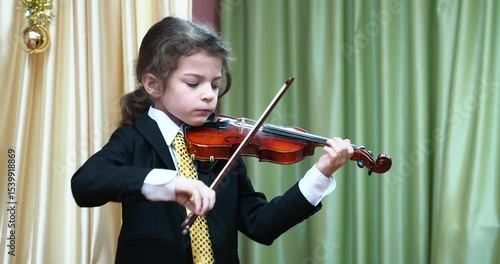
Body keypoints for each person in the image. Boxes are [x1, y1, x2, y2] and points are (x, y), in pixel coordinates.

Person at [71, 16, 354, 264]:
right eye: (193, 83)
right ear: (153, 84)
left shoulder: (224, 149)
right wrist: (170, 183)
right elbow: (85, 184)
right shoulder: (133, 139)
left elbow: (261, 225)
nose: (209, 94)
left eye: (215, 84)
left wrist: (320, 174)